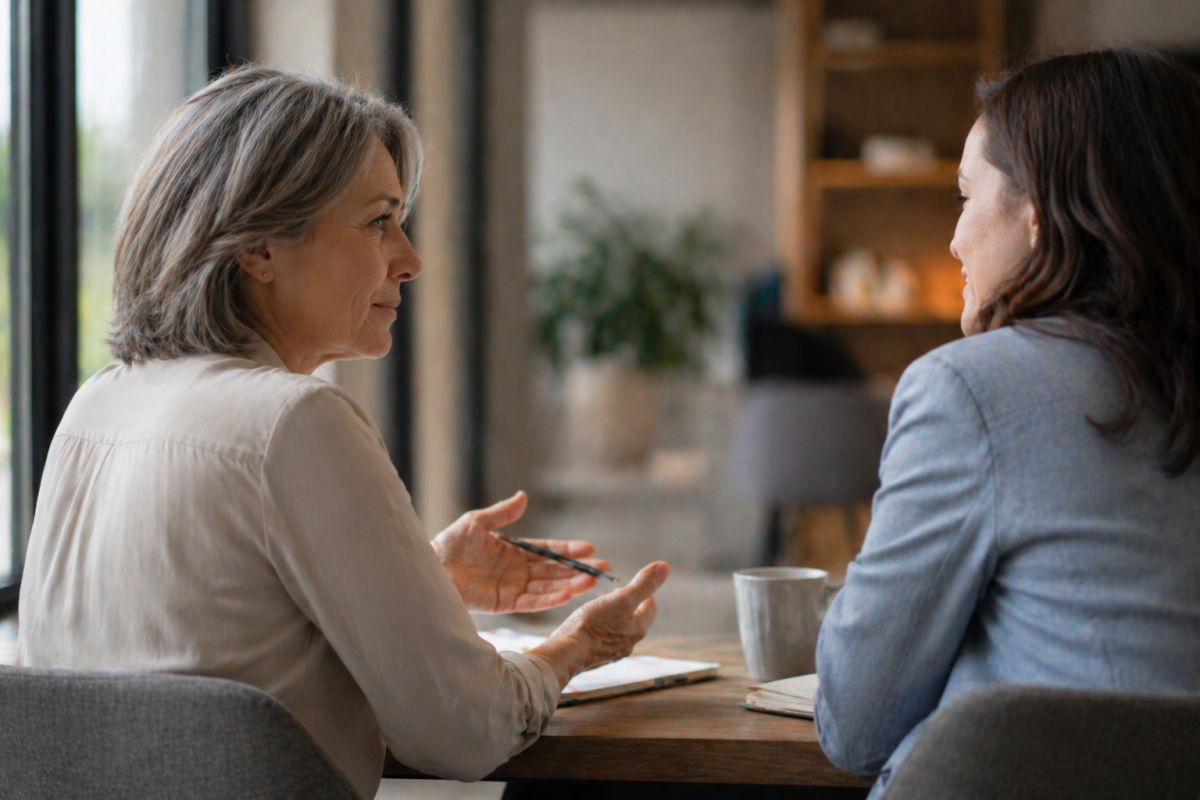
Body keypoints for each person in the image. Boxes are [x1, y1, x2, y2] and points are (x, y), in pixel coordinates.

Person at [15, 66, 670, 800]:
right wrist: (575, 648)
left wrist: (420, 581)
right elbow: (465, 730)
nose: (411, 260)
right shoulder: (295, 420)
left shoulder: (95, 405)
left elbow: (190, 652)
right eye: (379, 222)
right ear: (259, 248)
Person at [815, 48, 1200, 798]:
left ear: (1039, 209)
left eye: (965, 196)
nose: (954, 239)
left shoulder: (967, 391)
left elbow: (855, 724)